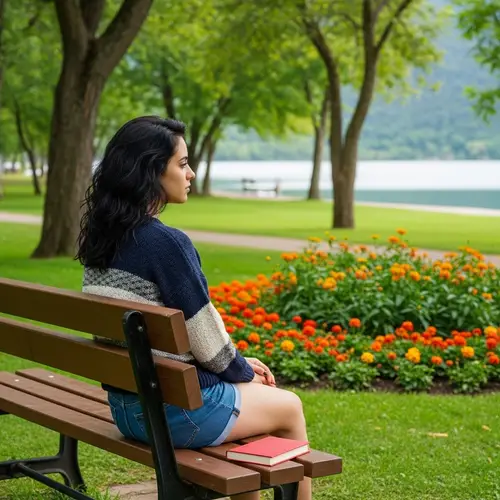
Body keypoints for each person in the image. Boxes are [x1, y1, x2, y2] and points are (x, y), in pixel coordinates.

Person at [76, 116, 311, 500]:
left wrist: (237, 369)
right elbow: (205, 337)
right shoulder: (166, 244)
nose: (191, 173)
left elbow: (182, 345)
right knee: (287, 406)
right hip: (176, 413)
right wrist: (239, 370)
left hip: (127, 409)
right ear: (153, 171)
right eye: (182, 164)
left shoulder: (104, 241)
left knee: (249, 399)